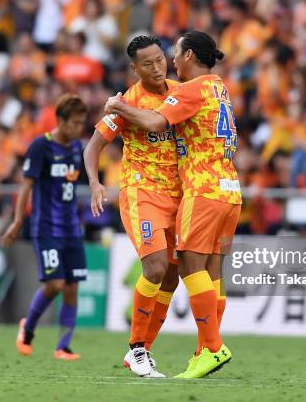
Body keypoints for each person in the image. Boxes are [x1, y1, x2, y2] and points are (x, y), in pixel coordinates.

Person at [104, 30, 241, 378]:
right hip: (230, 191)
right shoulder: (219, 87)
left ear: (190, 56)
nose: (170, 62)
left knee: (188, 268)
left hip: (203, 189)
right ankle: (201, 351)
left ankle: (211, 347)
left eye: (174, 55)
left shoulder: (191, 89)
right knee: (213, 273)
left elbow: (153, 121)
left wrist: (119, 105)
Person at [84, 35, 181, 378]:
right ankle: (136, 349)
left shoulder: (180, 92)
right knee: (154, 267)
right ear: (134, 68)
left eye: (160, 59)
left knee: (171, 275)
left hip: (180, 195)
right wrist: (96, 183)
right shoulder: (125, 102)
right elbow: (93, 148)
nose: (157, 67)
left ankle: (144, 350)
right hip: (142, 194)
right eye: (148, 63)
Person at [2, 94, 87, 361]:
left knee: (72, 287)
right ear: (60, 121)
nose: (77, 129)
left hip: (72, 229)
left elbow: (70, 187)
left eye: (81, 123)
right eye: (74, 123)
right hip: (46, 227)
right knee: (55, 285)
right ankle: (27, 329)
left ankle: (63, 346)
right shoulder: (41, 146)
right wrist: (17, 221)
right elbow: (26, 186)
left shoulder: (76, 149)